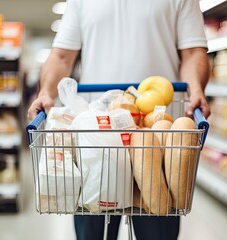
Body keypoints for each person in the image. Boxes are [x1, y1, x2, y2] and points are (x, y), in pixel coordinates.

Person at [27, 0, 210, 239]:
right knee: (92, 232)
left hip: (158, 134)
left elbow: (193, 52)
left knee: (158, 224)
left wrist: (196, 90)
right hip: (96, 138)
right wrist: (46, 92)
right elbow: (61, 56)